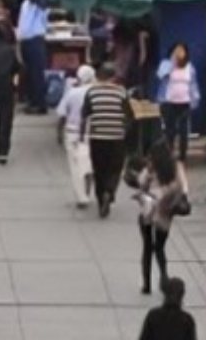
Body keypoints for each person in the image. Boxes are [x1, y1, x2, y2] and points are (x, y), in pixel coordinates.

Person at [128, 141, 187, 295]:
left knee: (147, 247)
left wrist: (147, 173)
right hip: (164, 212)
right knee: (160, 247)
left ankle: (146, 283)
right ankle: (163, 276)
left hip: (147, 211)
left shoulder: (150, 169)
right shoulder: (174, 168)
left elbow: (140, 183)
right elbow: (181, 187)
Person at [80, 64, 130, 218]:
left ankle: (102, 199)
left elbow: (85, 115)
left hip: (97, 137)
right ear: (113, 77)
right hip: (116, 137)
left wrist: (82, 134)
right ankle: (110, 191)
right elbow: (129, 114)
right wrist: (125, 130)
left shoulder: (92, 92)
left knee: (99, 169)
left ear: (98, 77)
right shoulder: (121, 92)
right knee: (115, 168)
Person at [58, 64, 97, 207]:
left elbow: (62, 114)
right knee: (88, 164)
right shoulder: (96, 92)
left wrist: (59, 134)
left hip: (72, 132)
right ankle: (87, 191)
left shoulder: (72, 93)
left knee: (75, 167)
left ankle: (81, 197)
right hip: (92, 132)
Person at [155, 43, 199, 163]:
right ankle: (169, 153)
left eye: (182, 50)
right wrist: (172, 62)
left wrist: (195, 99)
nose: (179, 52)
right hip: (169, 101)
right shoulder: (166, 64)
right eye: (176, 50)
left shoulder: (190, 67)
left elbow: (193, 84)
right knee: (170, 130)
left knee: (184, 130)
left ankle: (182, 155)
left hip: (185, 102)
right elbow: (160, 75)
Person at [0, 16, 22, 165]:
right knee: (4, 121)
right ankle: (2, 151)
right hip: (5, 88)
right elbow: (18, 68)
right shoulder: (9, 51)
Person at [18, 0, 53, 114]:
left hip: (35, 39)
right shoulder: (25, 4)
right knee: (30, 73)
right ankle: (32, 100)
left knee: (37, 73)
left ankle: (40, 103)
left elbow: (44, 3)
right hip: (25, 40)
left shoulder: (39, 5)